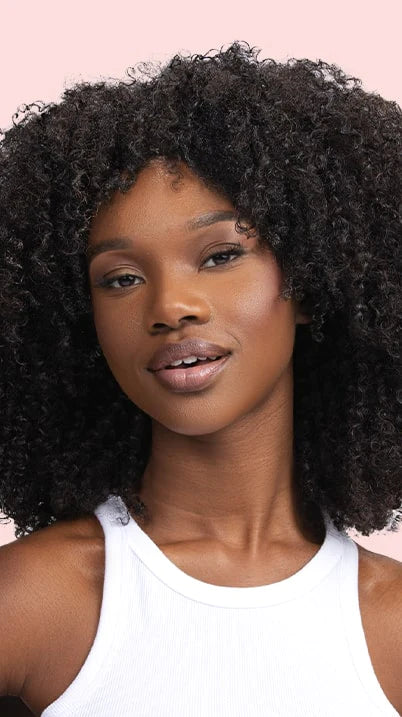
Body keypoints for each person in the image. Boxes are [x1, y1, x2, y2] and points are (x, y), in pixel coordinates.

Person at [0, 41, 401, 716]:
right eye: (121, 278)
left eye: (219, 256)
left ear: (307, 282)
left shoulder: (390, 628)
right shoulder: (34, 601)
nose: (170, 306)